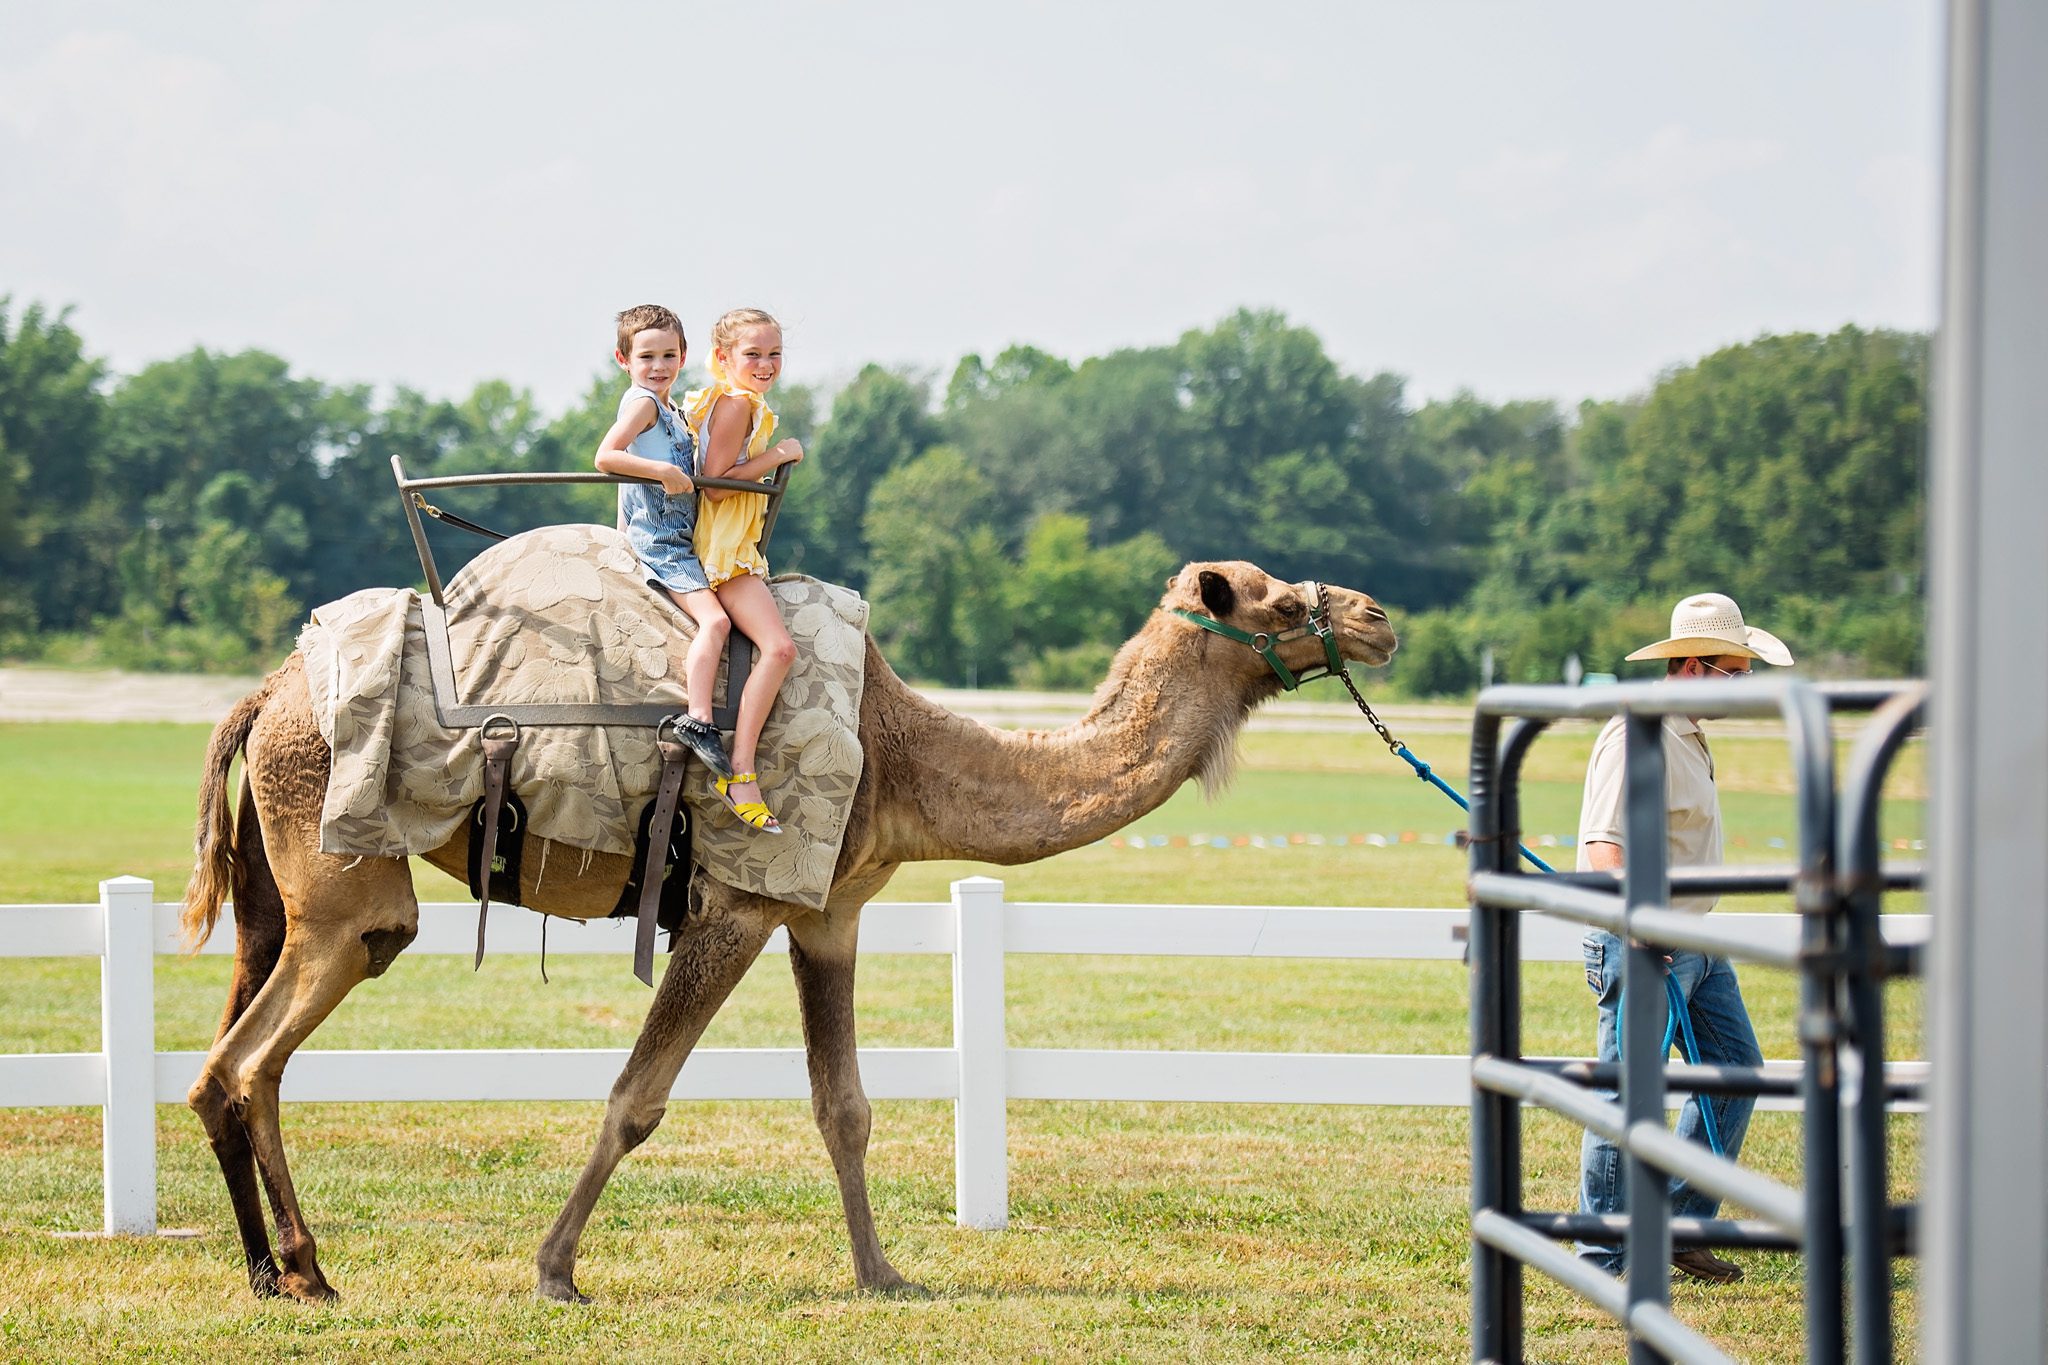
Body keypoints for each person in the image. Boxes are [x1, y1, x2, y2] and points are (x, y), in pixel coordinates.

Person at [1574, 592, 1793, 1285]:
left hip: (1695, 935)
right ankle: (1604, 1252)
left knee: (1735, 1071)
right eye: (1735, 668)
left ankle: (1676, 1224)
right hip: (1647, 940)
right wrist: (1637, 926)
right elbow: (1600, 848)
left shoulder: (1684, 730)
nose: (1745, 682)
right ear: (1694, 665)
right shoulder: (1637, 730)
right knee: (1627, 1092)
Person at [592, 303, 742, 792]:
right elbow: (606, 457)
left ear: (683, 357)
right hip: (662, 544)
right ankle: (697, 718)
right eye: (647, 357)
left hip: (680, 538)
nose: (659, 367)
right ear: (624, 359)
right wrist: (662, 472)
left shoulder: (673, 411)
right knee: (716, 621)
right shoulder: (643, 405)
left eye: (669, 355)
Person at [675, 308, 805, 834]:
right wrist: (778, 455)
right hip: (724, 551)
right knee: (780, 649)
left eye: (774, 353)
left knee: (777, 648)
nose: (766, 363)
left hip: (736, 546)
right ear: (724, 357)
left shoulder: (742, 402)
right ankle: (741, 771)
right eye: (753, 353)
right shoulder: (734, 405)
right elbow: (717, 483)